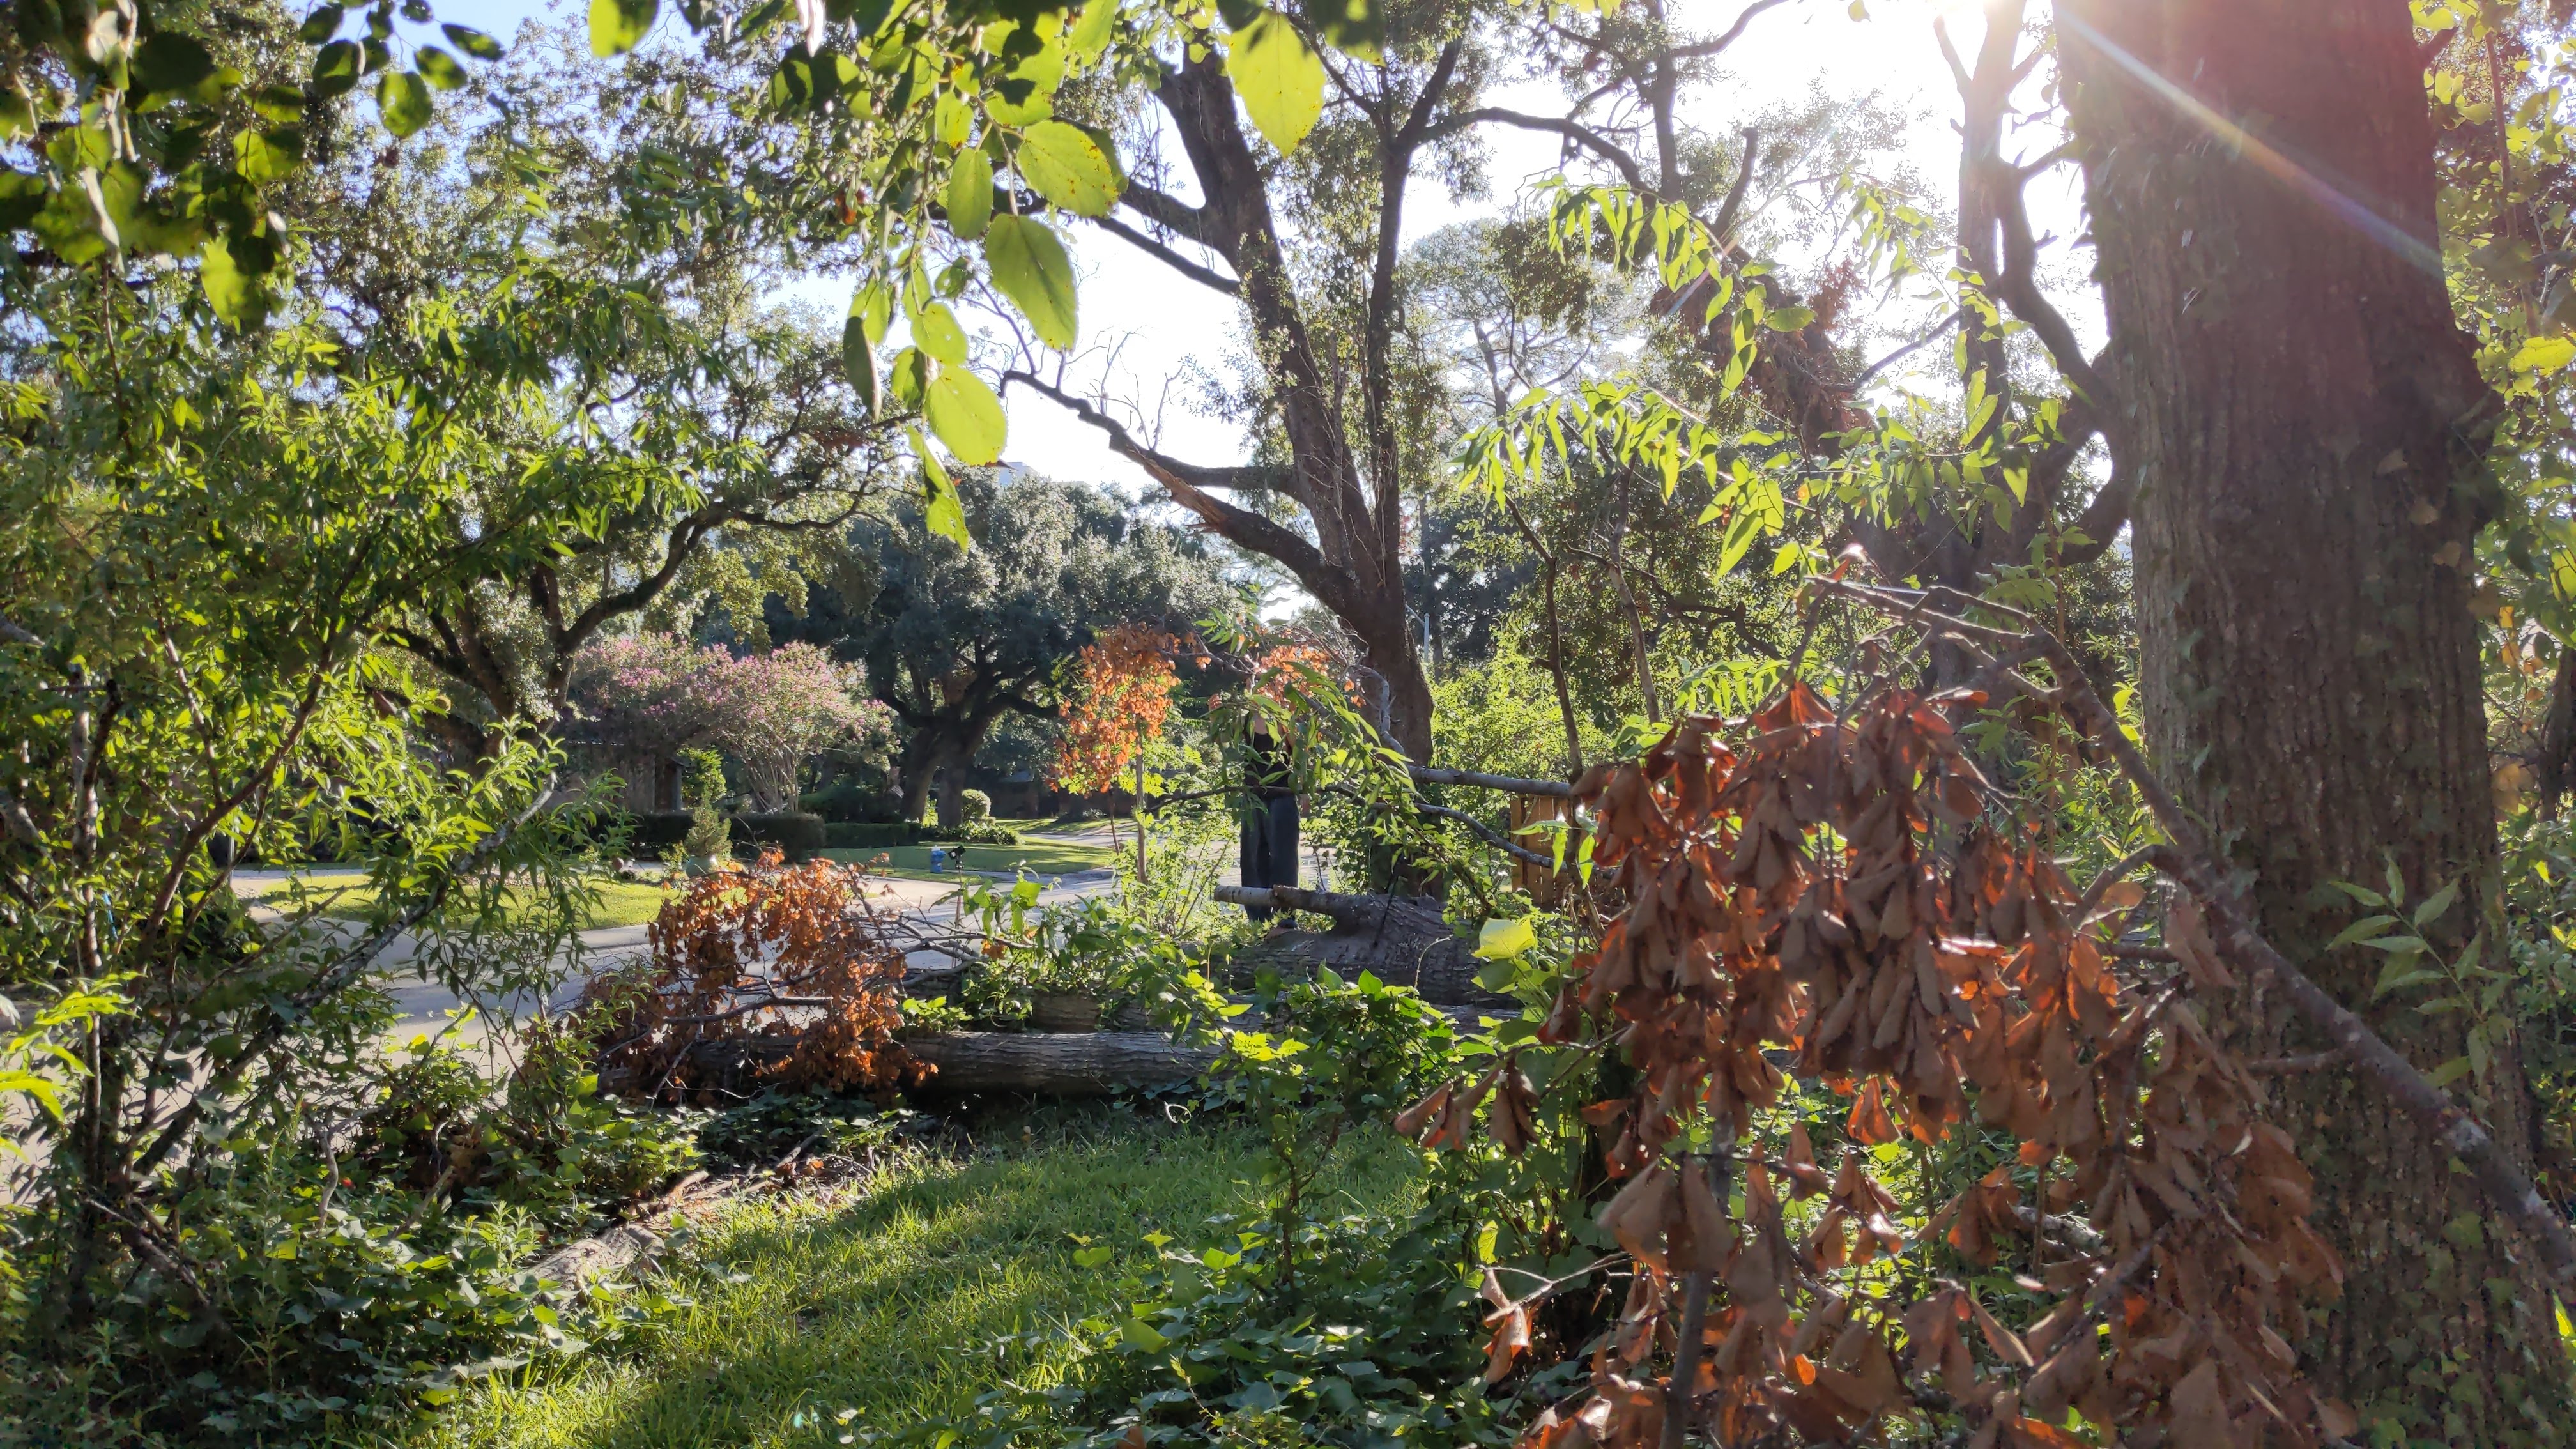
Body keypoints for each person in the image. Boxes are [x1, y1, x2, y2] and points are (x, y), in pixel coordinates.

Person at [1238, 717, 1299, 923]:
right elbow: (1225, 743)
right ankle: (1258, 923)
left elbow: (1300, 752)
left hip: (1282, 796)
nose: (1252, 684)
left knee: (1283, 860)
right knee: (1252, 861)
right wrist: (1214, 717)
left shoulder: (1283, 716)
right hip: (1252, 799)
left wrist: (1305, 790)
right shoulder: (1244, 718)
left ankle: (1285, 920)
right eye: (1248, 683)